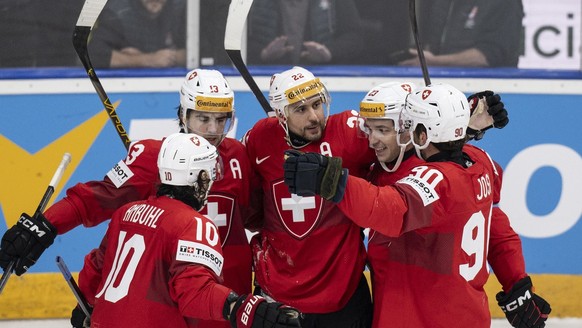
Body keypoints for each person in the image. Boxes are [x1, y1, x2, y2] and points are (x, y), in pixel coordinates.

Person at [283, 83, 551, 327]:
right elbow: (492, 221)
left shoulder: (429, 177)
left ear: (411, 129)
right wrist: (517, 285)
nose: (372, 140)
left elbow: (390, 208)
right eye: (369, 128)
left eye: (383, 129)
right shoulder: (473, 161)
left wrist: (331, 180)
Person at [0, 69, 253, 328]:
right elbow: (93, 200)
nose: (213, 130)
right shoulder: (152, 157)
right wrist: (43, 227)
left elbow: (261, 216)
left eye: (221, 120)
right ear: (183, 114)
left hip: (228, 304)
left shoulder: (239, 156)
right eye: (203, 118)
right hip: (176, 307)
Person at [73, 132, 302, 328]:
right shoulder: (193, 223)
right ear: (201, 178)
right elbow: (194, 294)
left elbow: (95, 267)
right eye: (211, 172)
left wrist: (85, 304)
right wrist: (242, 307)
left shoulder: (125, 213)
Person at [243, 66, 375, 328]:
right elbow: (253, 207)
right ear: (281, 115)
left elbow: (396, 141)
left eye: (317, 104)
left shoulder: (349, 132)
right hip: (279, 301)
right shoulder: (260, 138)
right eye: (301, 110)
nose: (315, 117)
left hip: (343, 297)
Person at [398, 0, 524, 67]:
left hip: (490, 92)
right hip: (443, 89)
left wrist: (435, 61)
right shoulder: (444, 3)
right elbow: (433, 43)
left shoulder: (504, 2)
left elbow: (489, 55)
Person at [246, 0, 363, 65]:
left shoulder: (335, 3)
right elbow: (235, 41)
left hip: (322, 81)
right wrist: (262, 54)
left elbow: (356, 39)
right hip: (267, 81)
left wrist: (330, 52)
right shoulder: (252, 3)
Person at [88, 0, 186, 68]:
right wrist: (148, 60)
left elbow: (198, 52)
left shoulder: (182, 9)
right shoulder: (118, 12)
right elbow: (94, 55)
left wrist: (167, 58)